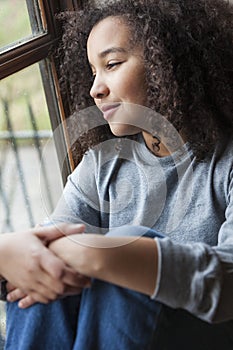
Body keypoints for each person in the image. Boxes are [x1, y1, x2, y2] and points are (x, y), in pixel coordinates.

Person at [5, 0, 233, 349]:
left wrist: (107, 255)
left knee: (129, 253)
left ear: (165, 62)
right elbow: (46, 256)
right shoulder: (101, 165)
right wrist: (7, 253)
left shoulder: (225, 162)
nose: (95, 88)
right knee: (48, 284)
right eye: (92, 72)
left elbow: (227, 283)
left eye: (111, 64)